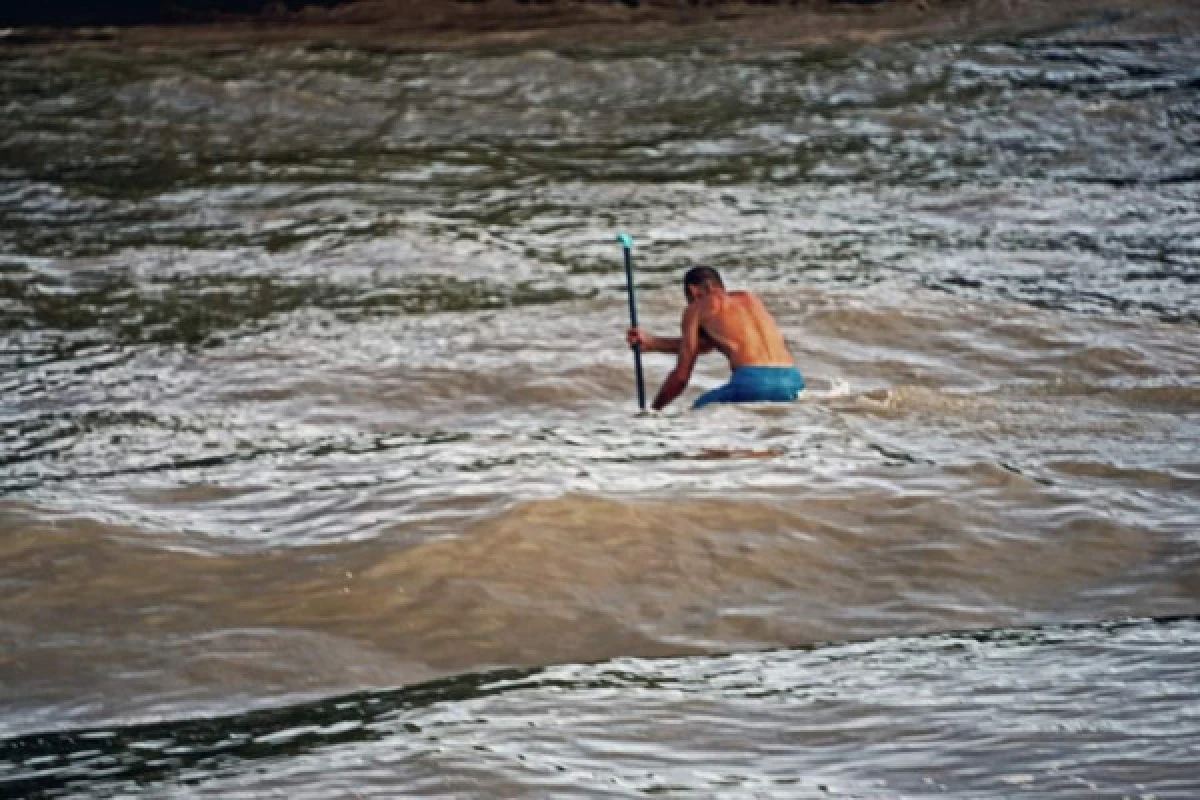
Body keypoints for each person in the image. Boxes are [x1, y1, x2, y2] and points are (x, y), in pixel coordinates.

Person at [626, 266, 804, 411]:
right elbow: (707, 345)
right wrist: (653, 343)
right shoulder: (750, 299)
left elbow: (681, 377)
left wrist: (654, 411)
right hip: (793, 381)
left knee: (698, 413)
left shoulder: (697, 308)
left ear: (693, 290)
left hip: (753, 383)